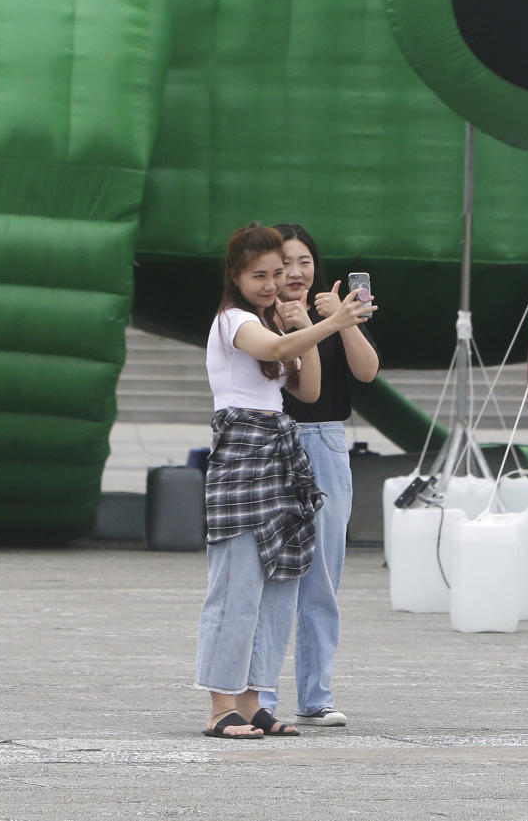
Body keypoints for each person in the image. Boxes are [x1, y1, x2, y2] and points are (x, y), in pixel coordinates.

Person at [195, 221, 375, 738]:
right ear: (235, 275)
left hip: (282, 447)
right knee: (236, 585)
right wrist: (327, 322)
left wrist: (308, 327)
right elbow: (274, 353)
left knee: (281, 580)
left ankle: (254, 701)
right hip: (244, 451)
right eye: (261, 275)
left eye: (279, 273)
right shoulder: (233, 321)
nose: (274, 283)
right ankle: (220, 706)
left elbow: (310, 388)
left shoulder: (273, 323)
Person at [258, 223, 380, 727]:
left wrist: (342, 321)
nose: (296, 271)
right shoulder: (256, 318)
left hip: (328, 440)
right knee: (270, 574)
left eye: (305, 261)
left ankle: (316, 696)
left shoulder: (334, 308)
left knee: (323, 576)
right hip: (275, 439)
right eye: (285, 263)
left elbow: (368, 372)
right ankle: (260, 697)